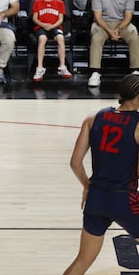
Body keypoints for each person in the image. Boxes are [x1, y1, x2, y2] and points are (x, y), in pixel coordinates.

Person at [64, 74, 139, 275]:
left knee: (81, 262)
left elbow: (75, 163)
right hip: (125, 199)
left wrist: (87, 186)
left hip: (96, 199)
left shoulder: (93, 118)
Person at [86, 0, 139, 87]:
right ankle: (95, 72)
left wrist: (118, 29)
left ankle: (135, 70)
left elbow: (128, 17)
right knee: (97, 37)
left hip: (122, 23)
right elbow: (97, 17)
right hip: (102, 23)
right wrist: (110, 31)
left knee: (133, 34)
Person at [31, 0, 73, 81]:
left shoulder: (59, 3)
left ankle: (62, 66)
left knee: (60, 38)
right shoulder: (38, 1)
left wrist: (53, 26)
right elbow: (35, 18)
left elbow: (61, 19)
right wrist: (43, 24)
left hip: (55, 26)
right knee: (42, 39)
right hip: (41, 26)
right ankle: (40, 67)